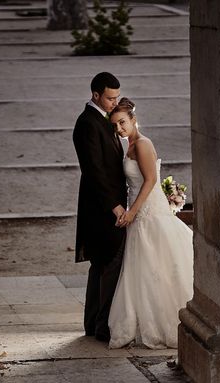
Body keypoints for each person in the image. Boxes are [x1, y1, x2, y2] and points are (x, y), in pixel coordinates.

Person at [107, 98, 193, 349]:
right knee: (142, 269)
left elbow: (151, 181)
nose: (120, 129)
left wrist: (133, 212)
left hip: (148, 213)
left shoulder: (143, 144)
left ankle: (165, 324)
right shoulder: (130, 144)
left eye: (122, 123)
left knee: (158, 266)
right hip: (138, 212)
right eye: (115, 126)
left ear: (133, 119)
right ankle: (141, 321)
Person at [73, 72, 129, 342]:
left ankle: (94, 324)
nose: (113, 102)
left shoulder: (105, 121)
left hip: (106, 205)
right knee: (108, 264)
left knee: (102, 264)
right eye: (109, 97)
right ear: (96, 94)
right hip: (101, 208)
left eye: (116, 97)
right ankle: (101, 325)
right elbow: (94, 170)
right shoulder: (87, 123)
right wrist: (114, 206)